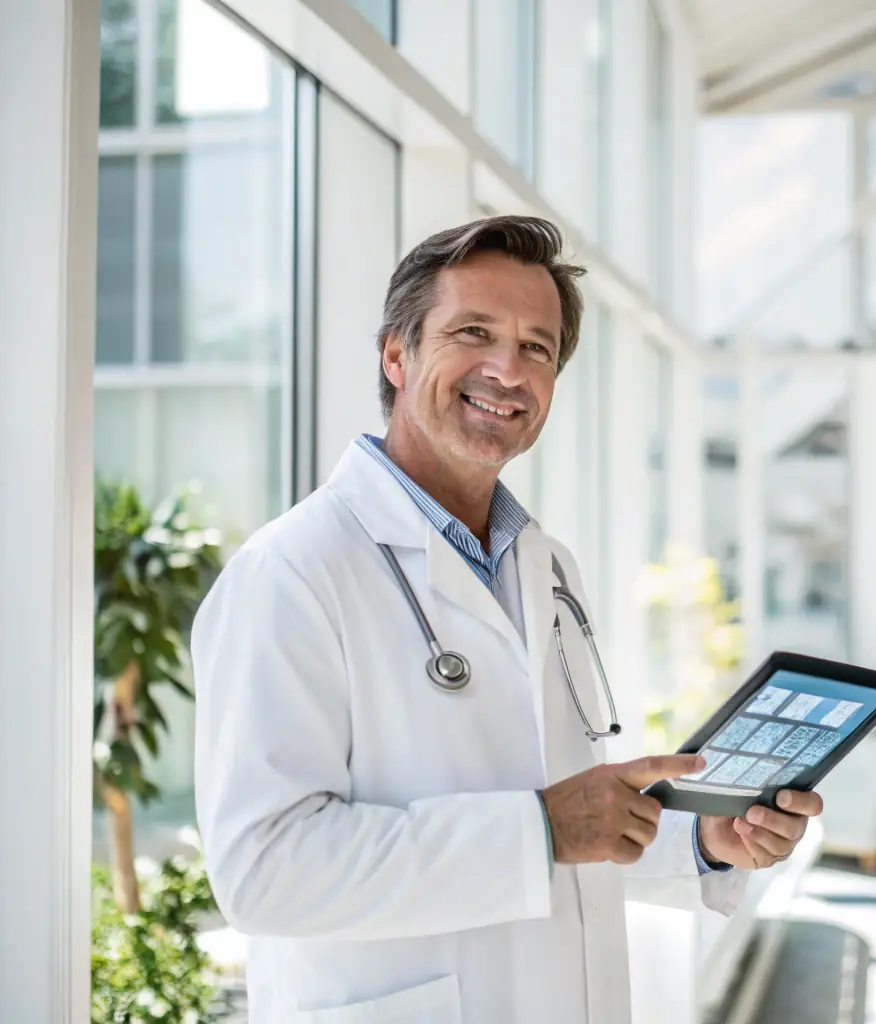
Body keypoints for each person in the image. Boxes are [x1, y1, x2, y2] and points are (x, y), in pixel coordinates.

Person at [191, 215, 823, 1023]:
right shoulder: (290, 573)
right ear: (396, 354)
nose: (507, 369)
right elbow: (264, 872)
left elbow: (578, 826)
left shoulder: (546, 564)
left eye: (537, 347)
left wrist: (703, 844)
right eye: (473, 332)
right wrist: (538, 831)